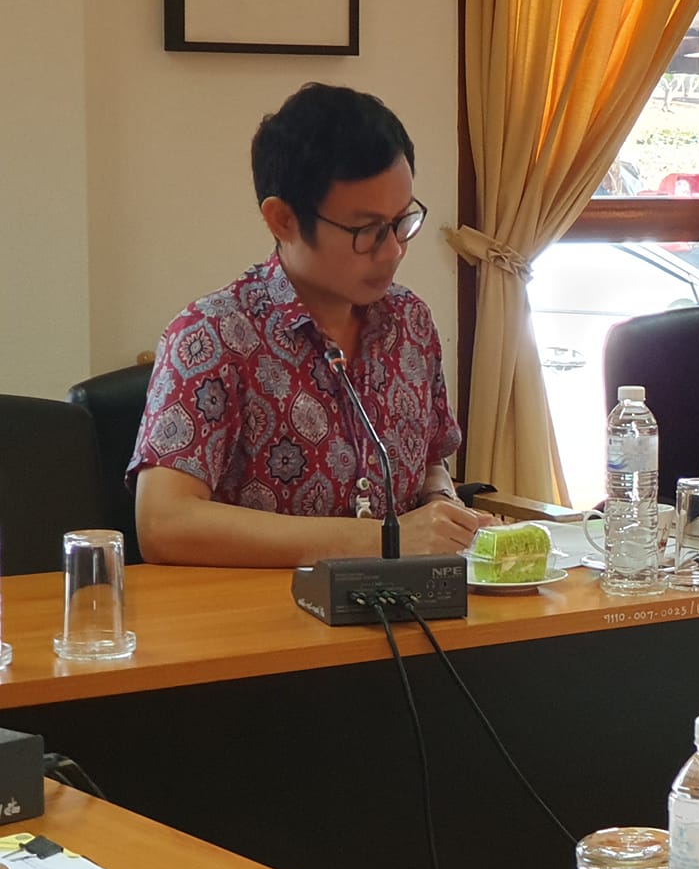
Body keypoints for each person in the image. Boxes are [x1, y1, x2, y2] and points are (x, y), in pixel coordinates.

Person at [132, 84, 491, 567]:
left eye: (401, 221)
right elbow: (163, 523)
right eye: (367, 231)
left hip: (405, 605)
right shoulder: (212, 335)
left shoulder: (409, 321)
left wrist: (444, 510)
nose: (392, 251)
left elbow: (429, 462)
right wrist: (382, 541)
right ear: (282, 219)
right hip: (264, 610)